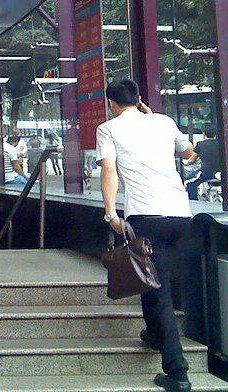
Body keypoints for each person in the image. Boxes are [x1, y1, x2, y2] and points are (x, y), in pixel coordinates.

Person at [96, 79, 194, 392]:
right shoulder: (164, 122)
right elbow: (189, 152)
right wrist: (152, 119)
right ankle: (154, 335)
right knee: (154, 282)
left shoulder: (108, 129)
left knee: (157, 291)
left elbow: (109, 171)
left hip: (148, 218)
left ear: (111, 103)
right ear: (139, 99)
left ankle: (177, 373)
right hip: (181, 215)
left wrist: (111, 213)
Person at [184, 123, 219, 200]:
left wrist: (185, 162)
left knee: (189, 182)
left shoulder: (200, 144)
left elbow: (192, 160)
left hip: (207, 173)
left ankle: (194, 201)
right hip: (220, 172)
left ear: (204, 133)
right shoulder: (220, 144)